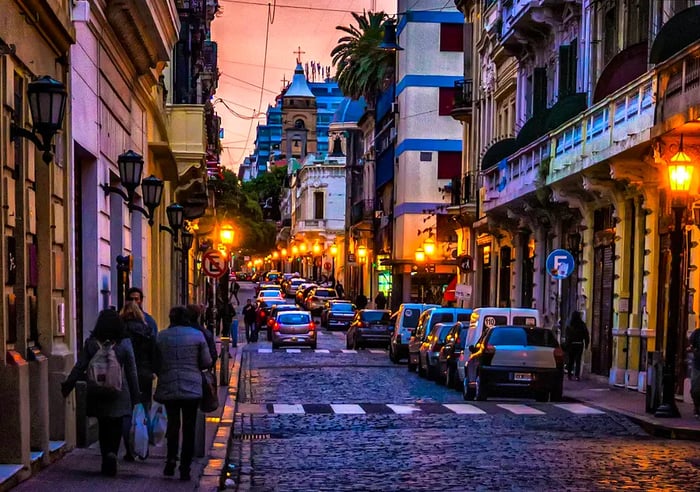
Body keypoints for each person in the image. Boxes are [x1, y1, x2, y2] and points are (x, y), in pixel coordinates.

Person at [61, 309, 140, 476]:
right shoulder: (124, 343)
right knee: (117, 423)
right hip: (120, 389)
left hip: (97, 390)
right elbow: (132, 370)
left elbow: (80, 365)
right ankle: (113, 452)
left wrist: (70, 383)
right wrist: (136, 394)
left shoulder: (91, 342)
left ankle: (105, 456)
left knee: (103, 425)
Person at [154, 306, 213, 481]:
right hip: (192, 388)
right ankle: (185, 467)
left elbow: (156, 362)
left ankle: (171, 459)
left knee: (172, 425)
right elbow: (206, 361)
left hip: (169, 385)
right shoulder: (197, 336)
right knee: (189, 428)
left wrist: (165, 372)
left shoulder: (162, 336)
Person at [120, 301, 157, 461]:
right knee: (144, 408)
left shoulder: (121, 331)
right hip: (144, 373)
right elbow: (153, 351)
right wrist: (154, 370)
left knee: (127, 411)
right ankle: (143, 443)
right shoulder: (147, 329)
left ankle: (129, 449)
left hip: (125, 374)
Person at [186, 304, 217, 369]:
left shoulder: (176, 334)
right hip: (199, 373)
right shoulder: (205, 333)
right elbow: (213, 356)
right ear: (198, 316)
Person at [565, 311, 589, 381]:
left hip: (571, 344)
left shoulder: (570, 325)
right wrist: (586, 344)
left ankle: (569, 375)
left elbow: (567, 336)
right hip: (579, 344)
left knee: (571, 360)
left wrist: (567, 344)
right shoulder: (582, 324)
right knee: (578, 360)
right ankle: (577, 375)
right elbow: (586, 335)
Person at [689, 326, 700, 417]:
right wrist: (694, 351)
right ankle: (697, 406)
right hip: (697, 364)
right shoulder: (696, 333)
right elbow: (691, 345)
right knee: (695, 389)